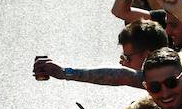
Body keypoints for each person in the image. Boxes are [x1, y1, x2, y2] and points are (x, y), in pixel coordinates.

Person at [33, 20, 169, 88]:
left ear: (147, 55)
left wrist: (65, 72)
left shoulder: (164, 76)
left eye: (128, 57)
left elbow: (124, 76)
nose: (124, 62)